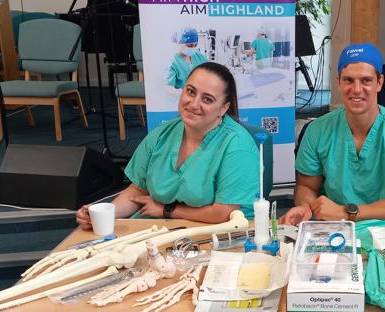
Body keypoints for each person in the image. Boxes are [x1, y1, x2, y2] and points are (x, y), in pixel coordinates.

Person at [77, 62, 260, 229]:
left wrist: (167, 210)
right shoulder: (163, 134)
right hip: (162, 226)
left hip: (221, 232)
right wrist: (102, 214)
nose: (194, 104)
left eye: (207, 99)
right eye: (190, 91)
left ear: (223, 108)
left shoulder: (237, 145)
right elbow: (137, 191)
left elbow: (222, 212)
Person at [280, 43, 385, 226]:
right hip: (333, 228)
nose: (357, 89)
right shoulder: (317, 130)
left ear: (379, 83)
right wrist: (307, 207)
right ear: (338, 82)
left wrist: (346, 212)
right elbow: (306, 187)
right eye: (348, 80)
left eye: (366, 80)